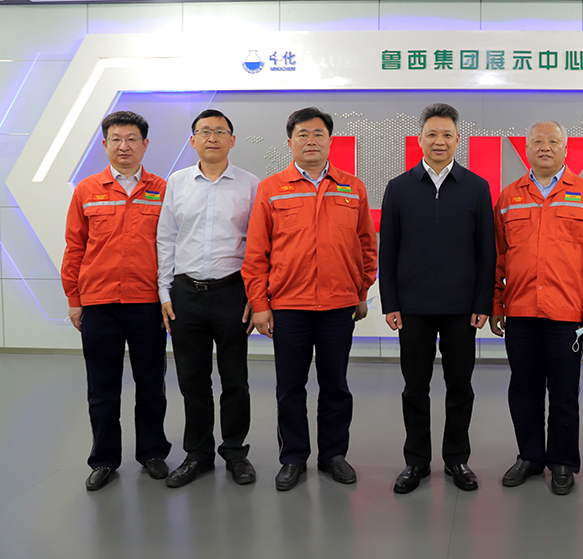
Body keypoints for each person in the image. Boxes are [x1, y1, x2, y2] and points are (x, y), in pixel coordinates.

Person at [242, 107, 377, 491]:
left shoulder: (352, 187)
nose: (311, 141)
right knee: (290, 388)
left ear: (330, 141)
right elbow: (256, 252)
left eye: (318, 134)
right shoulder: (272, 188)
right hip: (289, 306)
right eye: (303, 135)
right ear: (290, 143)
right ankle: (293, 458)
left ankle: (333, 455)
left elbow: (367, 245)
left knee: (336, 386)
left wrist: (361, 291)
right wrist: (260, 304)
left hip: (338, 306)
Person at [490, 120, 583, 496]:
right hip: (521, 311)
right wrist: (496, 303)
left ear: (565, 149)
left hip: (567, 316)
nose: (545, 147)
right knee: (523, 389)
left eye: (553, 141)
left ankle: (562, 461)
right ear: (527, 149)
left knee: (564, 393)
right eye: (538, 142)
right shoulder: (509, 196)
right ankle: (529, 457)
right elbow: (497, 257)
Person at [379, 103, 496, 494]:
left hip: (462, 309)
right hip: (412, 308)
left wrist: (482, 304)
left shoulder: (477, 188)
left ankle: (457, 458)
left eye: (447, 134)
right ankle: (415, 461)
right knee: (415, 388)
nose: (439, 141)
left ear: (458, 139)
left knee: (460, 387)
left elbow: (487, 252)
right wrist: (390, 303)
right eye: (432, 134)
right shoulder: (399, 187)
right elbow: (388, 251)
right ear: (419, 139)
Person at [61, 110, 172, 491]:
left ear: (145, 144)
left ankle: (153, 452)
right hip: (99, 303)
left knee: (151, 384)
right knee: (102, 387)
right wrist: (74, 299)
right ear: (105, 144)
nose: (124, 146)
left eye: (131, 139)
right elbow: (75, 248)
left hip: (147, 303)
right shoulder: (87, 190)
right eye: (115, 139)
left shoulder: (162, 189)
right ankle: (104, 459)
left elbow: (171, 247)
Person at [156, 109, 260, 488]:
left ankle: (235, 452)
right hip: (185, 294)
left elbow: (259, 244)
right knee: (192, 380)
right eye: (204, 131)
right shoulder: (177, 183)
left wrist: (256, 294)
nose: (212, 137)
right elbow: (166, 239)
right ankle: (198, 454)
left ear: (232, 140)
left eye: (219, 131)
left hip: (232, 293)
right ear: (193, 140)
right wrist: (164, 291)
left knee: (235, 380)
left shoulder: (251, 185)